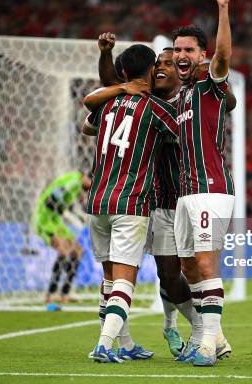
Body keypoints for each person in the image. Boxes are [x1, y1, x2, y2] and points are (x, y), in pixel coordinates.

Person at [92, 33, 235, 360]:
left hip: (187, 197)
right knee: (168, 275)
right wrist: (108, 58)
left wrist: (228, 95)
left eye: (168, 64)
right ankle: (193, 333)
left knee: (190, 269)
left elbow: (225, 97)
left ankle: (206, 336)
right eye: (158, 63)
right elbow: (115, 86)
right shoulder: (150, 101)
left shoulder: (187, 99)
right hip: (154, 201)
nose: (161, 68)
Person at [82, 44, 179, 363]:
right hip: (130, 202)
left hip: (97, 201)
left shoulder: (106, 105)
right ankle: (104, 345)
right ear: (152, 70)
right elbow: (183, 136)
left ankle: (123, 344)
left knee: (109, 279)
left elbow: (87, 126)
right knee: (124, 279)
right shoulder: (155, 109)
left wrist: (113, 89)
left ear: (122, 74)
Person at [171, 0, 234, 367]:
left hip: (211, 189)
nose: (181, 55)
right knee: (189, 265)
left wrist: (223, 9)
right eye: (177, 50)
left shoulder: (213, 86)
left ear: (202, 55)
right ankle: (219, 339)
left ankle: (207, 344)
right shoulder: (180, 98)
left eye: (188, 50)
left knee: (207, 263)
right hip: (185, 194)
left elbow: (224, 53)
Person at [32, 170, 90, 304]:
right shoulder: (73, 182)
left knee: (77, 251)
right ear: (86, 177)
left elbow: (64, 206)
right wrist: (71, 215)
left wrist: (78, 216)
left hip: (56, 220)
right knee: (63, 250)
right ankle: (50, 294)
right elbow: (51, 201)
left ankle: (65, 293)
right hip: (45, 219)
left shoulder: (77, 186)